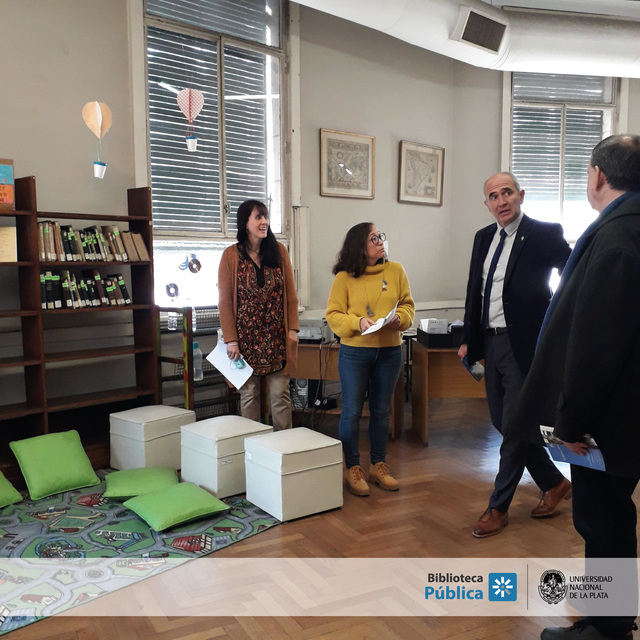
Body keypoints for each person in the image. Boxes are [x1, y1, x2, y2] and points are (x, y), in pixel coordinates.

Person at [514, 135, 640, 640]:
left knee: (602, 519)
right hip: (627, 411)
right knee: (609, 516)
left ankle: (607, 631)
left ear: (596, 176)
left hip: (607, 418)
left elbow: (597, 346)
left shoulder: (617, 237)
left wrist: (571, 422)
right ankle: (606, 617)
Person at [458, 171, 572, 538]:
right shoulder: (483, 238)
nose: (501, 200)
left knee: (512, 427)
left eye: (507, 192)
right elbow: (474, 292)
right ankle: (554, 482)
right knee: (503, 421)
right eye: (494, 195)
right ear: (487, 203)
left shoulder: (543, 233)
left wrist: (555, 315)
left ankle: (498, 507)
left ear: (520, 195)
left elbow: (573, 273)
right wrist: (469, 339)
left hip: (524, 343)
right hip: (490, 343)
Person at [326, 223, 415, 496]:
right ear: (359, 246)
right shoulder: (344, 277)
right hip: (355, 352)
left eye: (380, 236)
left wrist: (400, 318)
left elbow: (407, 305)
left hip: (389, 351)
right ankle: (352, 468)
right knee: (352, 412)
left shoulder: (396, 270)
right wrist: (358, 321)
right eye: (373, 238)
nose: (380, 242)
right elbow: (333, 315)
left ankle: (379, 465)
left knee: (381, 411)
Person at [218, 199, 299, 430]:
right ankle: (252, 449)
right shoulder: (231, 256)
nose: (264, 222)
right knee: (250, 395)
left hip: (276, 338)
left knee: (280, 395)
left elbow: (291, 295)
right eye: (258, 217)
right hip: (244, 341)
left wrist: (292, 330)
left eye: (265, 217)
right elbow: (224, 301)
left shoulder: (279, 251)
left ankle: (285, 447)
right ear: (245, 223)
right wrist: (231, 339)